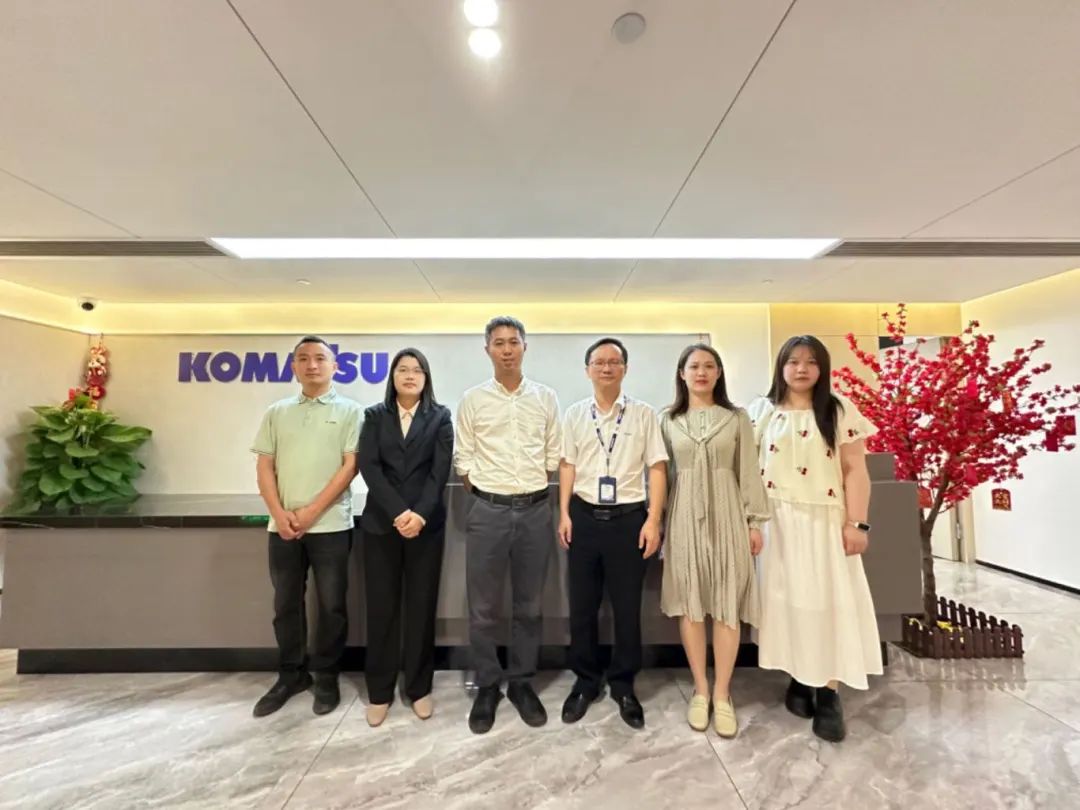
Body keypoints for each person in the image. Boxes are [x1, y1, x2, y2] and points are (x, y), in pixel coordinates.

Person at [748, 335, 881, 743]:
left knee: (828, 604)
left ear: (822, 368)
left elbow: (855, 470)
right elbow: (748, 471)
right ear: (781, 367)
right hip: (776, 523)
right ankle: (799, 678)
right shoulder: (762, 410)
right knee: (787, 603)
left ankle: (829, 693)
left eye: (810, 361)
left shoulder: (838, 409)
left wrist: (857, 524)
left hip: (825, 522)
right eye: (793, 361)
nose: (801, 369)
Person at [454, 316, 562, 734]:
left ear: (524, 347)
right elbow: (464, 459)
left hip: (535, 510)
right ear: (487, 350)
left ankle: (521, 682)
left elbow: (553, 455)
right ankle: (487, 685)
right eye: (498, 343)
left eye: (513, 342)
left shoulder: (546, 397)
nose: (506, 350)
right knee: (482, 608)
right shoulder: (473, 399)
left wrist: (525, 492)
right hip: (487, 511)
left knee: (529, 606)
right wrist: (490, 494)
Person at [659, 343, 768, 738]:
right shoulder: (667, 420)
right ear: (682, 373)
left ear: (719, 373)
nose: (701, 372)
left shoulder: (736, 419)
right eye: (694, 366)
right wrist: (658, 523)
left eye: (709, 366)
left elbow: (749, 472)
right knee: (690, 604)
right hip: (684, 516)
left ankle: (723, 693)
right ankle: (700, 689)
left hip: (728, 515)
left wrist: (754, 522)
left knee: (726, 603)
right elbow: (661, 475)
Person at [557, 337, 667, 729]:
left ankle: (623, 684)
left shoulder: (644, 414)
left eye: (614, 362)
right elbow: (567, 466)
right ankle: (585, 682)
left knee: (627, 607)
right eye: (599, 362)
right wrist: (564, 513)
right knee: (582, 606)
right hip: (584, 518)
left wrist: (653, 520)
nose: (606, 368)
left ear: (625, 369)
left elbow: (657, 468)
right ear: (587, 369)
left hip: (629, 520)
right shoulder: (574, 414)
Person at [251, 336, 362, 718]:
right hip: (282, 527)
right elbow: (264, 466)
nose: (312, 365)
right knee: (285, 604)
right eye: (303, 359)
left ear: (335, 366)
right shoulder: (277, 412)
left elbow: (350, 466)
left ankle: (326, 676)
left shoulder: (351, 411)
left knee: (332, 605)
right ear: (294, 367)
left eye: (320, 358)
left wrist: (312, 511)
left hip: (331, 525)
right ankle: (291, 675)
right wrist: (278, 513)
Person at [357, 348, 453, 727]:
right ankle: (379, 692)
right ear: (393, 377)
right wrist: (399, 513)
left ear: (426, 378)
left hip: (425, 528)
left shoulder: (440, 417)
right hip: (382, 525)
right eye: (403, 369)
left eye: (417, 370)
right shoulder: (374, 416)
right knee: (381, 609)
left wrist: (419, 515)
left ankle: (419, 688)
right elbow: (369, 467)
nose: (410, 375)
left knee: (421, 608)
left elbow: (439, 471)